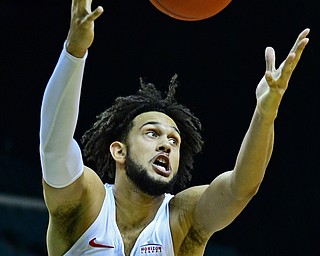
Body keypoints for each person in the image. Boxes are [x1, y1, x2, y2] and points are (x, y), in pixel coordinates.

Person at [39, 0, 310, 255]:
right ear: (119, 151)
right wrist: (74, 53)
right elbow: (54, 149)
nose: (167, 144)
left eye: (174, 140)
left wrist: (264, 114)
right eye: (152, 133)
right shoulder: (88, 204)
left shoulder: (182, 217)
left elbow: (241, 187)